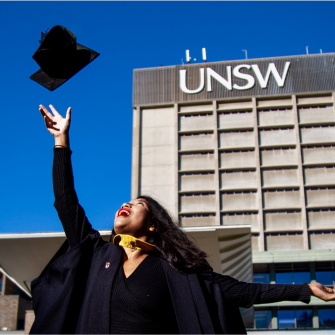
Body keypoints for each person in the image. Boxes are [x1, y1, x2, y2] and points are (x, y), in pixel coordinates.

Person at [30, 104, 335, 335]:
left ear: (153, 225)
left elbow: (243, 291)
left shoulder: (177, 271)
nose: (127, 204)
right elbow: (66, 202)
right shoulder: (98, 253)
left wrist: (305, 289)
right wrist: (61, 142)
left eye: (138, 205)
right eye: (127, 202)